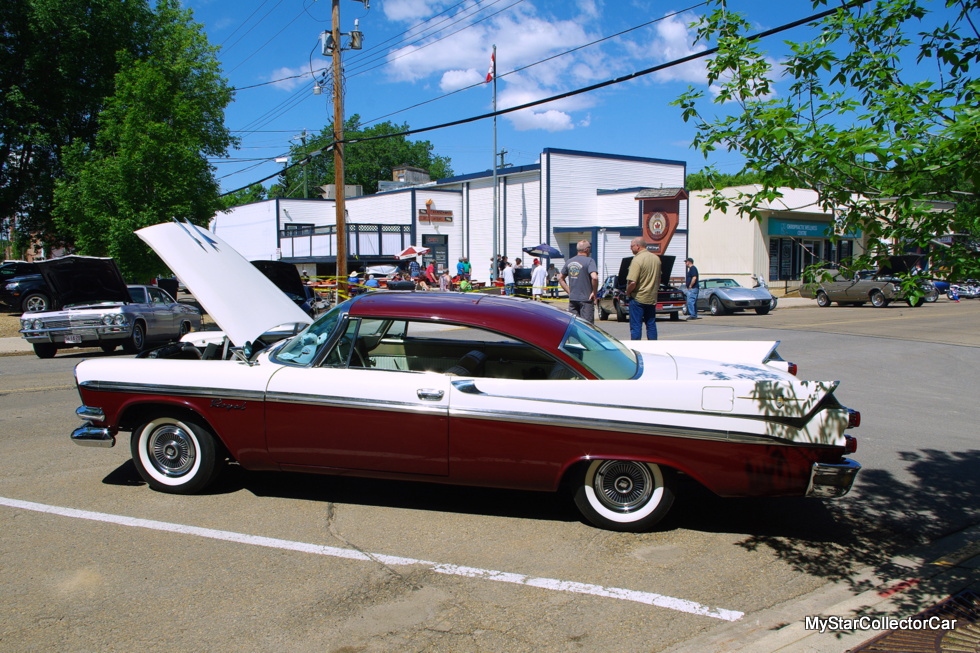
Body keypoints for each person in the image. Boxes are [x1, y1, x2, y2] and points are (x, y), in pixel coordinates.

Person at [625, 237, 662, 340]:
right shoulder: (656, 259)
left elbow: (632, 282)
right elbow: (659, 279)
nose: (630, 248)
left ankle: (637, 348)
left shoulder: (637, 260)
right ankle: (653, 347)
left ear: (638, 246)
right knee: (651, 325)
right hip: (651, 297)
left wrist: (627, 292)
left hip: (638, 298)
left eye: (631, 246)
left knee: (636, 326)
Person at [559, 240, 598, 323]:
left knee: (575, 325)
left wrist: (569, 291)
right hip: (586, 299)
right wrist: (594, 292)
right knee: (587, 326)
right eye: (589, 248)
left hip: (573, 299)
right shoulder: (590, 261)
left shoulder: (569, 261)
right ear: (586, 249)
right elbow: (594, 277)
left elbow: (560, 278)